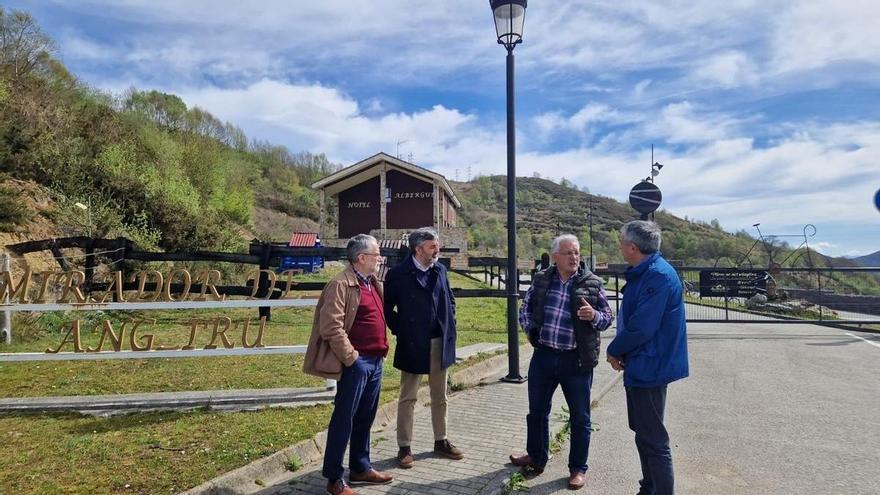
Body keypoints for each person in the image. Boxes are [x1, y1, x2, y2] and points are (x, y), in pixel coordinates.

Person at [510, 234, 613, 490]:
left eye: (576, 253)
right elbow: (527, 305)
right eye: (568, 253)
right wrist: (529, 328)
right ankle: (536, 457)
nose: (574, 258)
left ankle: (578, 468)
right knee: (537, 412)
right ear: (555, 256)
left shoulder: (592, 283)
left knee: (580, 418)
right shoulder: (543, 278)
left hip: (576, 361)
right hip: (544, 356)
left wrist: (594, 315)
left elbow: (608, 317)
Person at [303, 234, 393, 495]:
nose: (380, 259)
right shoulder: (340, 284)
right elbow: (330, 326)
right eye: (377, 255)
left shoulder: (371, 282)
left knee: (366, 418)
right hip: (357, 363)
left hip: (375, 362)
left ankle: (360, 467)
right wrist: (352, 358)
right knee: (344, 419)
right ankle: (334, 479)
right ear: (361, 258)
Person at [607, 220, 689, 495]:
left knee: (653, 438)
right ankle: (649, 487)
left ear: (632, 247)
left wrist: (615, 349)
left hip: (650, 365)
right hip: (643, 363)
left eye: (621, 241)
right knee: (644, 432)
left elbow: (643, 326)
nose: (619, 245)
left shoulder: (657, 276)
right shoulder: (646, 272)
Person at [384, 227, 463, 468]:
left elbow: (449, 299)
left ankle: (441, 441)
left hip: (440, 341)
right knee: (408, 397)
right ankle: (404, 447)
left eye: (437, 245)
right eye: (432, 246)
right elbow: (388, 310)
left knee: (441, 396)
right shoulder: (397, 274)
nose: (437, 249)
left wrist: (451, 321)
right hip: (412, 343)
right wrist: (403, 331)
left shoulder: (440, 270)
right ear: (418, 249)